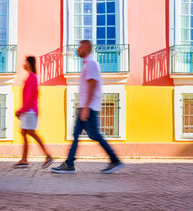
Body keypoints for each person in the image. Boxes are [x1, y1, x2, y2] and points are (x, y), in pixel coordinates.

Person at [52, 40, 124, 174]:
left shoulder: (91, 63)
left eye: (80, 47)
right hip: (86, 106)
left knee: (93, 134)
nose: (78, 49)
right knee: (79, 134)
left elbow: (92, 85)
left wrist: (85, 108)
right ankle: (69, 163)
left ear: (87, 48)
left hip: (88, 107)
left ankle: (114, 160)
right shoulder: (87, 64)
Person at [13, 56, 54, 169]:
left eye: (25, 61)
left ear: (29, 63)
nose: (23, 63)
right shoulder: (31, 77)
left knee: (31, 133)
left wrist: (21, 110)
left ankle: (48, 155)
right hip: (29, 110)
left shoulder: (32, 77)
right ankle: (24, 159)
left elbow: (29, 97)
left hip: (29, 110)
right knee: (25, 132)